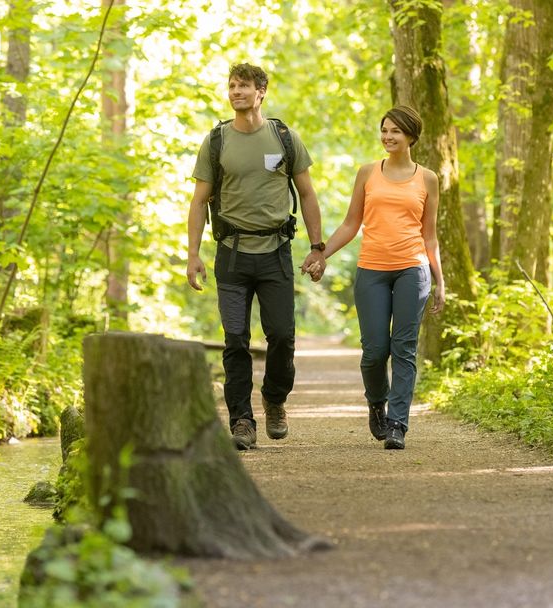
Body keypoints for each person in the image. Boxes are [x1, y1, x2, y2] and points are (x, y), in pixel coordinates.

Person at [186, 63, 325, 450]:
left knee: (282, 335)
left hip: (276, 253)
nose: (236, 92)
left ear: (261, 91)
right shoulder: (216, 141)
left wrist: (317, 247)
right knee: (235, 341)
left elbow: (308, 194)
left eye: (244, 86)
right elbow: (199, 202)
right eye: (231, 86)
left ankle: (275, 398)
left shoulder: (283, 137)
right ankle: (241, 422)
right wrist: (193, 254)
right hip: (231, 256)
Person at [303, 105, 445, 450]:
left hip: (413, 268)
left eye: (395, 131)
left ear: (411, 136)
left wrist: (440, 281)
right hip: (372, 270)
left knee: (404, 348)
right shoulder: (367, 173)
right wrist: (321, 253)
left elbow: (430, 235)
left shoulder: (427, 178)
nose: (388, 136)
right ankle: (376, 403)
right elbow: (352, 224)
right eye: (384, 129)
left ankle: (398, 423)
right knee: (374, 351)